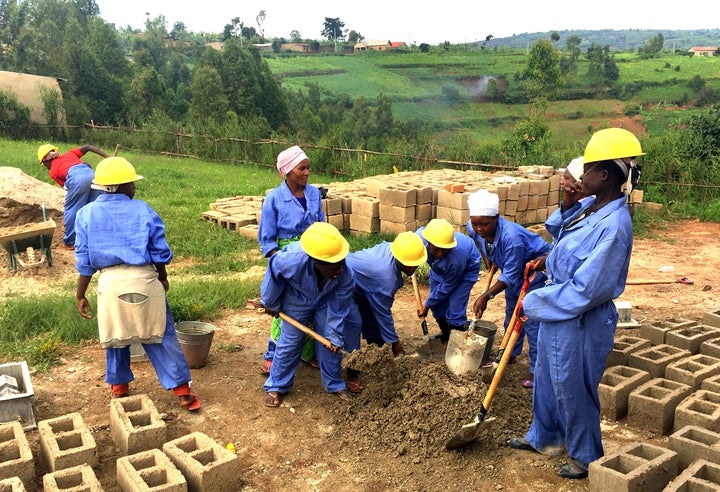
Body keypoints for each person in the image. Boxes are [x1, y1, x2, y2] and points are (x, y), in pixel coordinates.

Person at [507, 128, 643, 480]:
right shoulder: (590, 206)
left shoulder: (615, 226)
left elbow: (587, 289)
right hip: (558, 310)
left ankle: (584, 456)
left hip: (581, 318)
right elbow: (557, 230)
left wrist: (534, 302)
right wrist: (568, 203)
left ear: (607, 176)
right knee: (547, 379)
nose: (582, 175)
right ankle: (545, 437)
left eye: (590, 169)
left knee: (574, 387)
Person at [74, 156, 200, 411]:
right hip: (145, 280)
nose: (134, 187)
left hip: (110, 285)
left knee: (115, 337)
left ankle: (119, 389)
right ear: (119, 186)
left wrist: (80, 294)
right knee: (161, 335)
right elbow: (159, 252)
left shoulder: (86, 214)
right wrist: (162, 277)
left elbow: (84, 261)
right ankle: (183, 392)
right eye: (131, 183)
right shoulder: (143, 209)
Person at [261, 221, 354, 407]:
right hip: (296, 298)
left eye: (341, 263)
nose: (339, 270)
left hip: (325, 298)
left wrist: (334, 335)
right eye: (333, 267)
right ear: (316, 262)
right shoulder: (289, 260)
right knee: (291, 342)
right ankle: (277, 385)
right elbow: (273, 275)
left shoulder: (344, 274)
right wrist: (271, 302)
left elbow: (339, 308)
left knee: (331, 341)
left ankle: (334, 383)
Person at [467, 189, 550, 388]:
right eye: (476, 223)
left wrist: (486, 295)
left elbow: (511, 276)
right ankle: (509, 353)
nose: (479, 228)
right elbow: (477, 238)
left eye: (484, 224)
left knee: (530, 320)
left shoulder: (511, 238)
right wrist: (490, 258)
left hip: (536, 270)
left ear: (497, 218)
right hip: (514, 270)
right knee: (511, 314)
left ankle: (537, 370)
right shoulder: (474, 227)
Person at [258, 145, 326, 375]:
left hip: (315, 256)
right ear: (287, 171)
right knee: (286, 307)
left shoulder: (314, 194)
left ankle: (307, 353)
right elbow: (267, 240)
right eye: (302, 168)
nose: (307, 173)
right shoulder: (274, 199)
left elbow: (322, 224)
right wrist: (280, 264)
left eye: (308, 168)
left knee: (312, 303)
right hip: (289, 259)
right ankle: (273, 354)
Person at [343, 231, 428, 391]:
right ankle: (351, 371)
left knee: (370, 314)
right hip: (344, 283)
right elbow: (383, 313)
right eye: (410, 264)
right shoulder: (386, 278)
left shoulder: (395, 247)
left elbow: (423, 232)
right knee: (354, 323)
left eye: (416, 263)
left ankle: (376, 348)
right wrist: (395, 344)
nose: (414, 268)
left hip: (365, 283)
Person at [415, 218, 481, 342]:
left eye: (444, 249)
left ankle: (456, 342)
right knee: (438, 305)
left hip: (466, 268)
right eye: (437, 248)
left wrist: (427, 304)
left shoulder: (456, 257)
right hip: (439, 267)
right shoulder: (420, 239)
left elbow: (448, 285)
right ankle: (446, 334)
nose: (440, 253)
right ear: (428, 242)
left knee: (455, 308)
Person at [38, 143, 110, 249]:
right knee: (96, 206)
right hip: (94, 176)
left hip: (78, 179)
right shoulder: (70, 154)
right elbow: (88, 147)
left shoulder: (53, 172)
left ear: (46, 160)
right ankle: (99, 235)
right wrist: (107, 157)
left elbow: (68, 187)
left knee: (72, 208)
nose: (46, 167)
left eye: (44, 164)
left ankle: (71, 242)